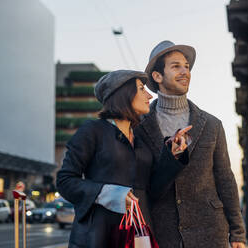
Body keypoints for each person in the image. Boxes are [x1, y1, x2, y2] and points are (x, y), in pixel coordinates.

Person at [56, 70, 191, 248]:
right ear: (123, 93)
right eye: (142, 89)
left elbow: (153, 190)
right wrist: (108, 193)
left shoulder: (141, 141)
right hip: (99, 236)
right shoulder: (93, 130)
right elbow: (65, 181)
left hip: (139, 234)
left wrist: (172, 156)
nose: (149, 95)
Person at [135, 41, 247, 248]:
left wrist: (238, 233)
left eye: (187, 66)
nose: (185, 71)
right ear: (157, 76)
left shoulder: (212, 125)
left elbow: (225, 178)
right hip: (162, 232)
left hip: (210, 231)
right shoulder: (139, 126)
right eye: (176, 66)